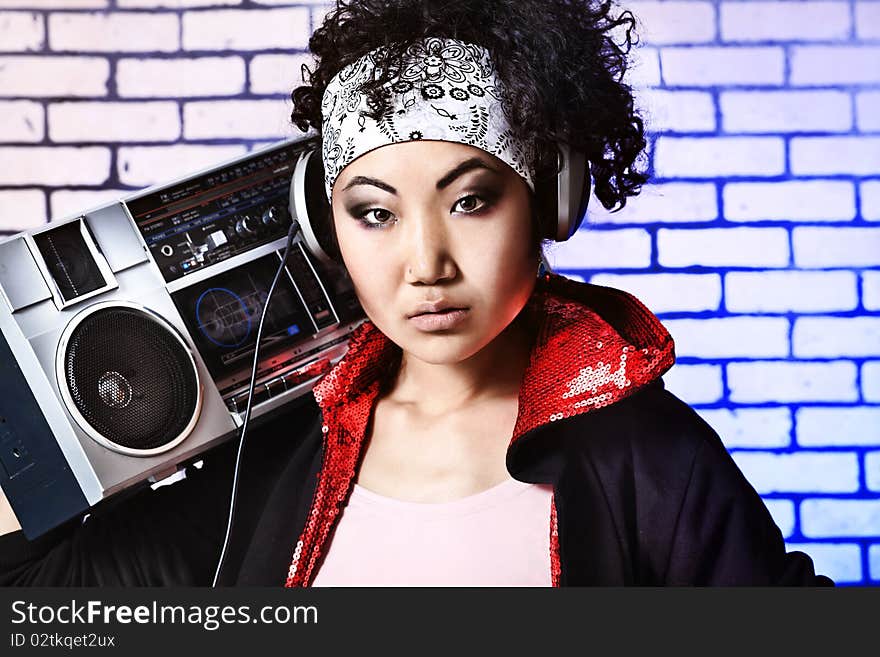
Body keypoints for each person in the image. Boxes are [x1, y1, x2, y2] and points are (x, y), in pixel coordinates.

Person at [0, 0, 833, 586]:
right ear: (329, 232)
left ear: (549, 196)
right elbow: (43, 603)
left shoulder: (651, 464)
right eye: (374, 213)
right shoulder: (281, 459)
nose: (423, 261)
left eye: (469, 199)